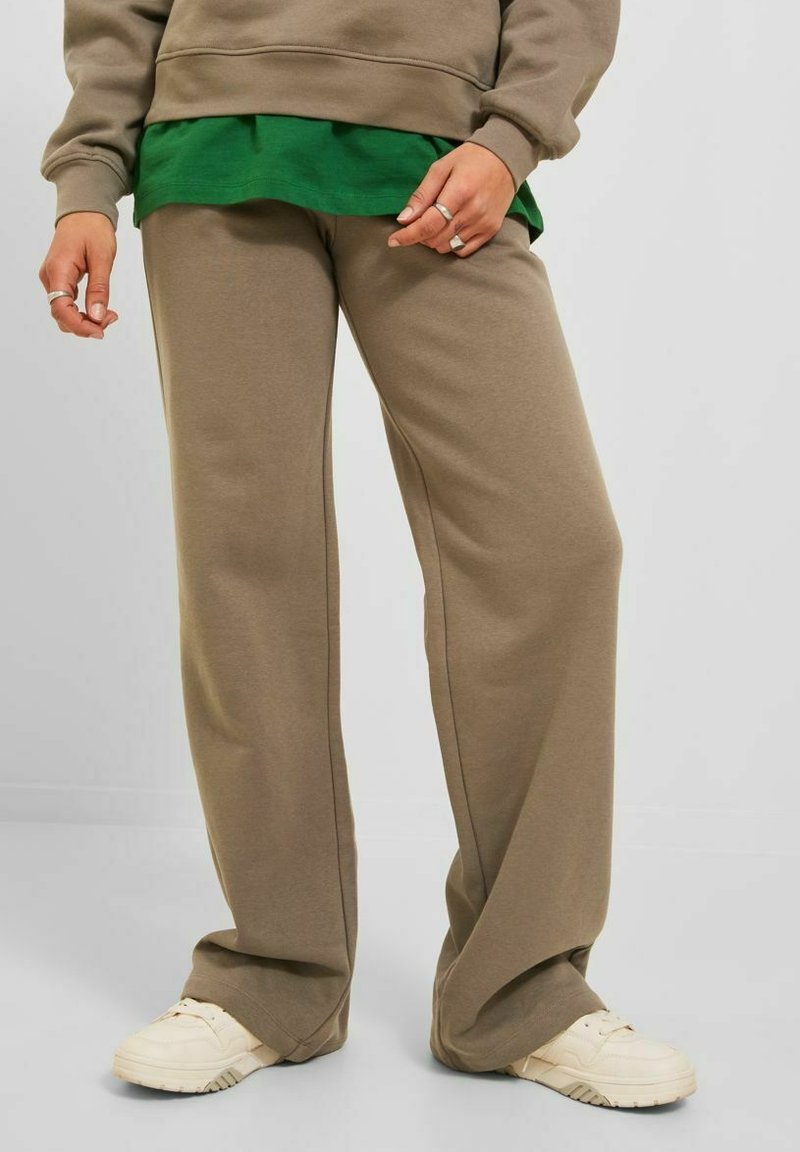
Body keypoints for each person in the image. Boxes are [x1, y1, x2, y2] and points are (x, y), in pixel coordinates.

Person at [37, 0, 696, 1108]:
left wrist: (513, 135)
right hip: (213, 138)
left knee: (555, 548)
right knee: (247, 559)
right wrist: (89, 175)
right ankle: (273, 974)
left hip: (440, 155)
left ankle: (520, 991)